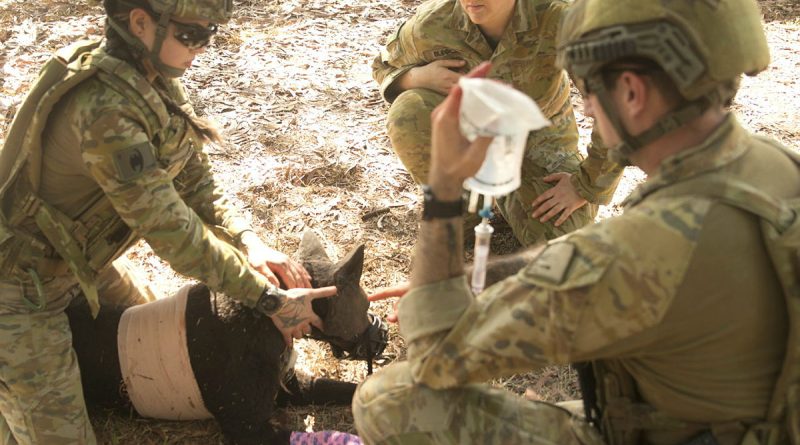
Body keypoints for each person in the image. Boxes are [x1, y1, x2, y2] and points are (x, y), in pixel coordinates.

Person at [354, 0, 799, 444]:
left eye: (588, 90)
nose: (585, 109)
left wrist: (444, 192)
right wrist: (485, 277)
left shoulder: (637, 252)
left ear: (631, 93)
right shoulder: (779, 165)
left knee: (386, 401)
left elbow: (436, 356)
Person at [0, 0, 337, 443]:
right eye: (192, 34)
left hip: (75, 265)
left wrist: (250, 240)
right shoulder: (105, 111)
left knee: (162, 351)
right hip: (20, 289)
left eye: (209, 34)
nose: (202, 47)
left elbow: (197, 181)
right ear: (140, 22)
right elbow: (176, 234)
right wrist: (267, 298)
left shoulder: (148, 80)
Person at [372, 0, 623, 246]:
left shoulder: (560, 19)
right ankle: (464, 208)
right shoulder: (434, 23)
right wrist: (417, 77)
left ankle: (507, 193)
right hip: (470, 136)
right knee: (408, 110)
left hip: (539, 141)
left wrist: (584, 186)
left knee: (561, 243)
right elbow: (383, 65)